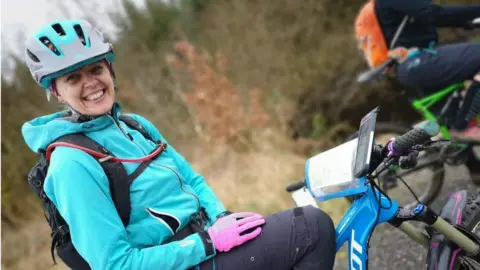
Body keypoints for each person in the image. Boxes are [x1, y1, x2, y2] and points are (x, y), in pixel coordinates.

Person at [21, 19, 337, 270]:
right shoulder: (72, 165)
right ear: (57, 92)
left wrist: (220, 218)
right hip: (182, 260)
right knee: (311, 227)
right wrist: (209, 243)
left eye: (95, 69)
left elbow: (192, 180)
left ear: (110, 70)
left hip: (204, 242)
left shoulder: (137, 125)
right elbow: (114, 264)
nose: (90, 83)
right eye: (72, 78)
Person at [356, 0, 480, 141]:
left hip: (415, 64)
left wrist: (467, 23)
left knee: (451, 112)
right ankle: (463, 126)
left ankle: (461, 125)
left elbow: (426, 17)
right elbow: (435, 14)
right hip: (418, 63)